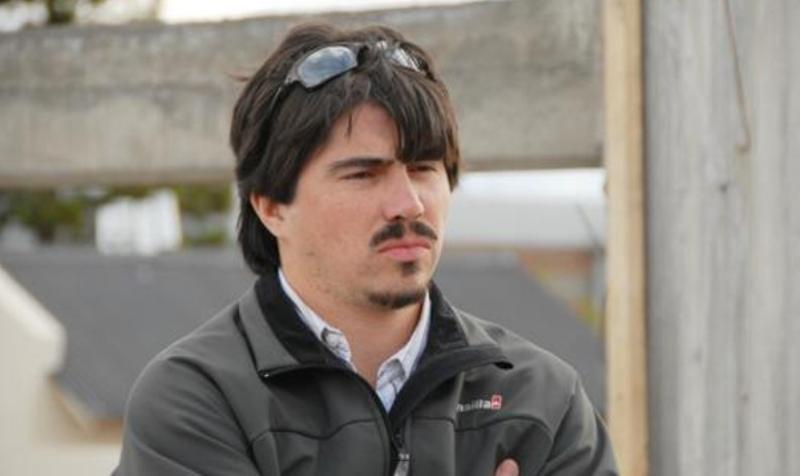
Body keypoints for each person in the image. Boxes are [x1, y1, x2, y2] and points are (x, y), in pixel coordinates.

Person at [114, 22, 618, 476]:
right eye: (362, 174)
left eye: (423, 168)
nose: (409, 204)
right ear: (271, 207)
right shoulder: (198, 400)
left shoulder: (541, 399)